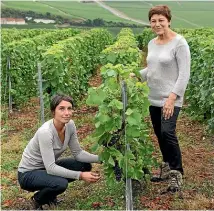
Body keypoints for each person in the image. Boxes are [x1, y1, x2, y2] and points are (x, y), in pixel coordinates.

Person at [135, 5, 190, 192]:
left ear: (168, 21)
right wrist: (135, 75)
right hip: (153, 97)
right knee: (160, 134)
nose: (157, 24)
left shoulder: (179, 43)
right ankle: (166, 166)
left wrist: (172, 98)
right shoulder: (152, 43)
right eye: (153, 21)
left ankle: (176, 173)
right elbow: (152, 68)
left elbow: (184, 75)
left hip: (170, 99)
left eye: (161, 20)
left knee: (168, 133)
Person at [18, 94, 101, 209]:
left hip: (46, 168)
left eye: (69, 108)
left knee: (84, 165)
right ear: (53, 112)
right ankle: (37, 199)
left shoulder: (70, 125)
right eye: (61, 109)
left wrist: (102, 159)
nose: (67, 113)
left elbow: (78, 153)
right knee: (61, 183)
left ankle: (49, 193)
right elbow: (51, 168)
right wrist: (80, 176)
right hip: (28, 174)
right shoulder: (46, 132)